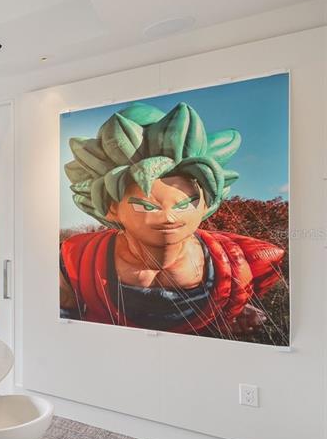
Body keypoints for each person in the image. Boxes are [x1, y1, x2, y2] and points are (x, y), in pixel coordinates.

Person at [60, 101, 284, 339]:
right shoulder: (76, 259)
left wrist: (233, 311)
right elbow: (63, 314)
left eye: (185, 204)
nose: (168, 217)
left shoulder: (240, 261)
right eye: (146, 206)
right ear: (111, 209)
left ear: (207, 204)